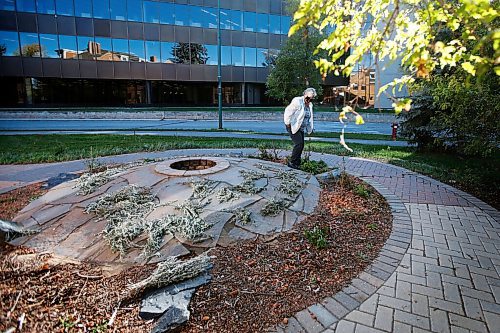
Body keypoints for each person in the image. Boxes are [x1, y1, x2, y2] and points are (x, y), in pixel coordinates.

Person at [284, 87, 316, 169]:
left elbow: (309, 118)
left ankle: (297, 162)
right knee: (298, 144)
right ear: (305, 95)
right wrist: (288, 123)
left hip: (300, 128)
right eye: (308, 98)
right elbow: (288, 111)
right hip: (292, 126)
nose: (309, 100)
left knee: (301, 145)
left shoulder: (310, 105)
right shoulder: (297, 101)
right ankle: (292, 162)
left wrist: (310, 128)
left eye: (311, 99)